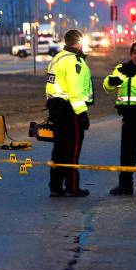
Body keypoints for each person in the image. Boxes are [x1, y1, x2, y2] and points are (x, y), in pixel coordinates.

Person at [44, 29, 93, 197]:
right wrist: (82, 113)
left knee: (59, 149)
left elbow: (52, 84)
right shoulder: (74, 61)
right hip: (69, 109)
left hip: (55, 106)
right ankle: (72, 187)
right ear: (78, 43)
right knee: (72, 149)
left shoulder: (57, 58)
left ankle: (55, 186)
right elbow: (75, 90)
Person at [103, 41, 136, 195]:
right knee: (127, 154)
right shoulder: (121, 69)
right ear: (131, 54)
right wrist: (110, 82)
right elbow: (107, 87)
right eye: (134, 53)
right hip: (128, 118)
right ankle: (125, 185)